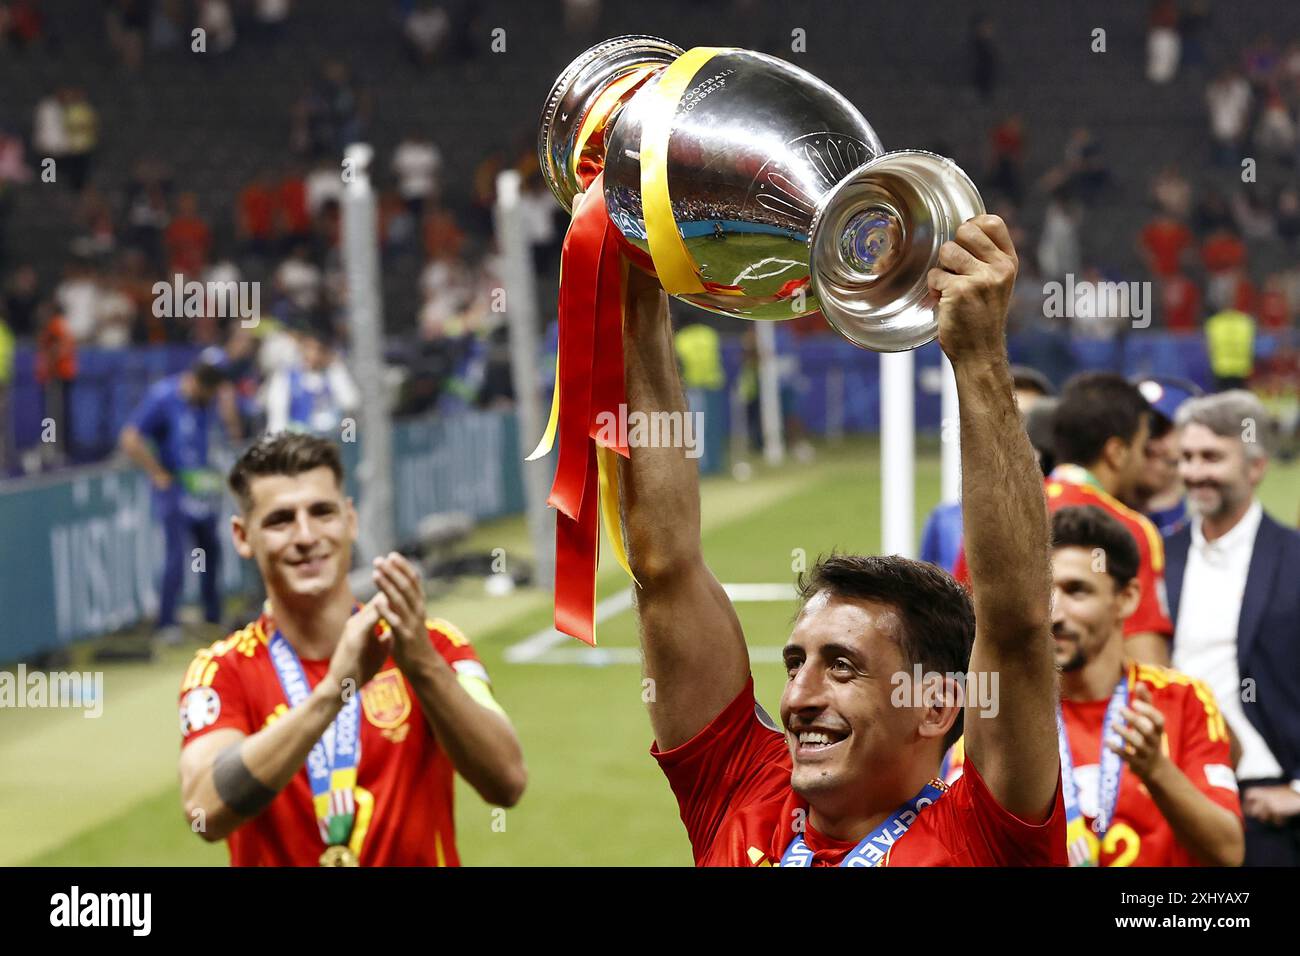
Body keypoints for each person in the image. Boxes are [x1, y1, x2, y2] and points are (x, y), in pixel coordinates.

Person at [619, 214, 1064, 866]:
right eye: (797, 663)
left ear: (935, 705)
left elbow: (1018, 624)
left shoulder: (983, 836)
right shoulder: (743, 790)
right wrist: (634, 252)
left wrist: (978, 359)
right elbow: (664, 567)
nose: (798, 699)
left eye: (842, 666)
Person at [177, 432, 526, 865]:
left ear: (350, 520)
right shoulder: (221, 671)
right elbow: (204, 813)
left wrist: (423, 667)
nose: (305, 536)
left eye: (322, 512)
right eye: (281, 519)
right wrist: (332, 692)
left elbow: (507, 782)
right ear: (242, 536)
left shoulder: (433, 645)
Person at [950, 505, 1243, 865]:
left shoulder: (1183, 699)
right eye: (1046, 594)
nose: (1055, 614)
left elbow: (1228, 852)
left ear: (1127, 598)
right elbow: (967, 841)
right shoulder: (1001, 712)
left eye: (1077, 592)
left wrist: (1156, 770)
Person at [954, 371, 1175, 665]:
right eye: (1142, 448)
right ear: (1117, 453)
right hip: (1094, 708)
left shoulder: (998, 517)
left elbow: (961, 625)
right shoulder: (1131, 529)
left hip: (999, 703)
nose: (1144, 461)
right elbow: (1146, 661)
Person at [1165, 391, 1300, 865]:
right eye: (1186, 457)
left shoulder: (1293, 557)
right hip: (1172, 796)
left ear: (1256, 466)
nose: (1195, 472)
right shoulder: (1158, 556)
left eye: (1211, 457)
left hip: (1267, 810)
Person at [119, 349, 232, 644]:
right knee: (176, 555)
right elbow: (130, 438)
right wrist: (157, 473)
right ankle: (167, 622)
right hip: (175, 490)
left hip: (202, 489)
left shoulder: (207, 403)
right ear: (198, 379)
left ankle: (212, 616)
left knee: (211, 551)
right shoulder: (164, 397)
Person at [1133, 376, 1203, 534]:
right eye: (1133, 430)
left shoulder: (1210, 534)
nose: (1147, 444)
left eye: (1157, 429)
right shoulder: (1092, 529)